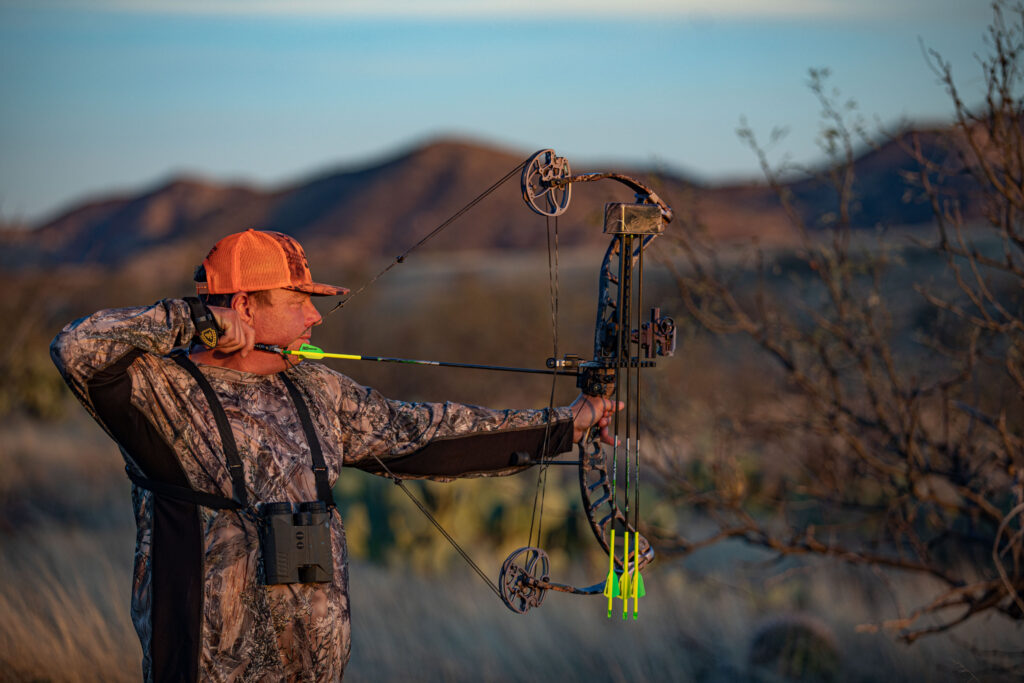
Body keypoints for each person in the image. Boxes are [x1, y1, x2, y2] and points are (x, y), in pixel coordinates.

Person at [50, 229, 618, 682]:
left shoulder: (315, 389)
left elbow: (426, 434)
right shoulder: (158, 393)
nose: (314, 317)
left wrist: (570, 424)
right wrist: (194, 320)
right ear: (244, 307)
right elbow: (77, 348)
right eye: (299, 301)